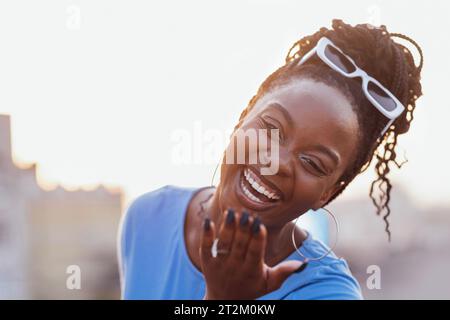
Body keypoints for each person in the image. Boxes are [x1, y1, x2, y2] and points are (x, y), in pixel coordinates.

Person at [118, 19, 423, 300]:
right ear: (242, 118)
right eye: (271, 129)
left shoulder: (327, 294)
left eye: (313, 163)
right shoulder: (147, 217)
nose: (276, 163)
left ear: (327, 193)